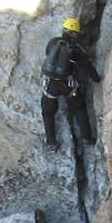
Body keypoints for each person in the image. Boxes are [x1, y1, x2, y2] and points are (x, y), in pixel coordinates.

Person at [40, 17, 100, 149]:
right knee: (78, 109)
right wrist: (96, 79)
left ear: (64, 30)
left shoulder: (53, 42)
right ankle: (87, 139)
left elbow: (48, 56)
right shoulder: (76, 49)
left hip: (50, 84)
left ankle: (51, 142)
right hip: (68, 85)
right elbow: (87, 65)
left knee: (47, 113)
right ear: (75, 33)